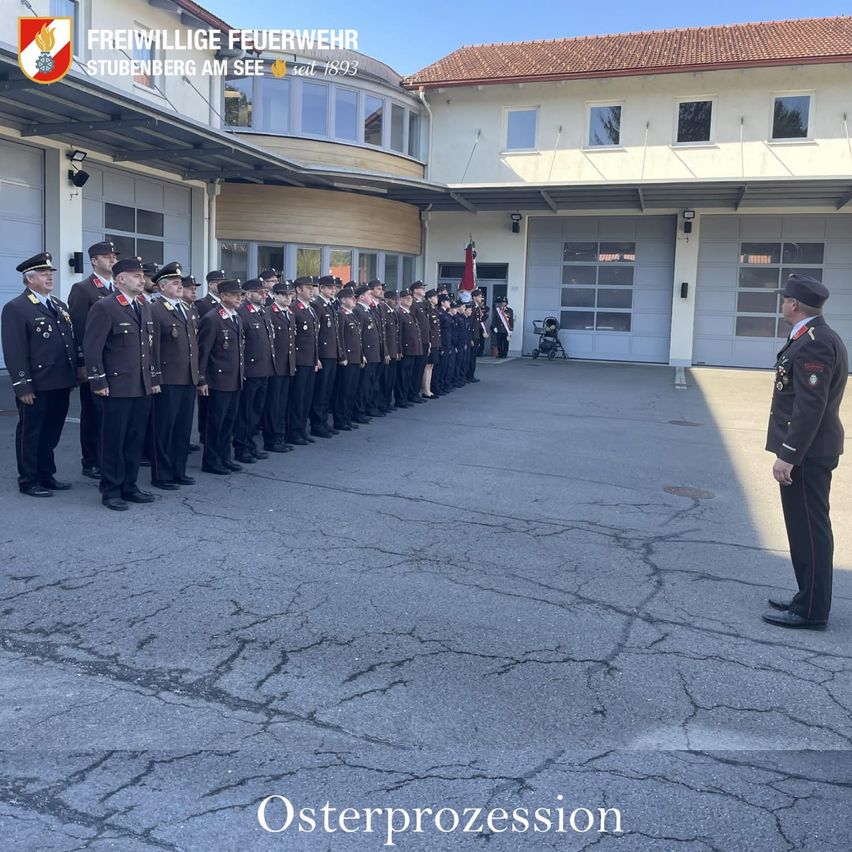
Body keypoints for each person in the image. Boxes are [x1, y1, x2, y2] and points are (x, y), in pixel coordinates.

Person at [762, 274, 848, 630]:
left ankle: (811, 610)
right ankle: (806, 597)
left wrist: (789, 454)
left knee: (810, 531)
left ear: (794, 304)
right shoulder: (812, 336)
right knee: (802, 529)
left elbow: (810, 407)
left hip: (808, 454)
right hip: (809, 450)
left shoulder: (815, 342)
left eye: (785, 299)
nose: (782, 304)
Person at [84, 257, 161, 511]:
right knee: (113, 441)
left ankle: (129, 485)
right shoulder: (105, 307)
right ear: (120, 279)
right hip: (116, 387)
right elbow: (93, 348)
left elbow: (149, 348)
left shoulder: (144, 306)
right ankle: (111, 489)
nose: (142, 280)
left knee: (134, 439)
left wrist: (153, 379)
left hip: (141, 385)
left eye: (142, 275)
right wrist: (98, 380)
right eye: (136, 276)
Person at [1, 252, 78, 497]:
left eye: (50, 273)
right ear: (29, 278)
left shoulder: (59, 306)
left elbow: (68, 341)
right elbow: (14, 350)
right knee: (31, 433)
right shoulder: (16, 308)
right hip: (37, 383)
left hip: (60, 381)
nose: (50, 277)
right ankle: (29, 479)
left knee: (52, 432)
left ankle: (46, 474)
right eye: (44, 274)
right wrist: (22, 385)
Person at [68, 240, 118, 479]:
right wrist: (82, 364)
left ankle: (108, 458)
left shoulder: (118, 288)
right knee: (93, 415)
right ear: (94, 261)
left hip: (117, 364)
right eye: (107, 256)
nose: (112, 259)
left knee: (111, 416)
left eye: (114, 256)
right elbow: (79, 330)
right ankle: (91, 461)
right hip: (95, 364)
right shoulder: (83, 289)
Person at [149, 262, 200, 490]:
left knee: (183, 428)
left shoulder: (187, 309)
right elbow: (152, 348)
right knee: (164, 429)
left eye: (181, 282)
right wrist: (154, 377)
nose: (180, 286)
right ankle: (162, 474)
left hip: (187, 377)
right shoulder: (155, 309)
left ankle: (179, 470)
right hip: (168, 379)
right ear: (162, 286)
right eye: (175, 283)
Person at [196, 278, 244, 475]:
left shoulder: (236, 317)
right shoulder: (212, 318)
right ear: (223, 296)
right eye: (235, 295)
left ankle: (225, 457)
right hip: (218, 380)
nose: (239, 298)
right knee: (215, 423)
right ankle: (211, 460)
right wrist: (201, 379)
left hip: (234, 378)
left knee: (228, 422)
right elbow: (203, 352)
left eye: (240, 295)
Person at [234, 278, 275, 464]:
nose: (264, 295)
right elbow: (240, 344)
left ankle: (251, 445)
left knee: (256, 411)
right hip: (249, 371)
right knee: (245, 412)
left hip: (263, 369)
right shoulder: (242, 312)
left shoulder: (263, 311)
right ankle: (241, 448)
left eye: (264, 292)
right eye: (260, 292)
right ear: (248, 294)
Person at [262, 280, 296, 453]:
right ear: (275, 295)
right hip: (275, 366)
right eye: (284, 295)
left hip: (287, 365)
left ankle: (279, 436)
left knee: (282, 404)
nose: (288, 298)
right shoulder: (269, 312)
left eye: (290, 295)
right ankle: (271, 439)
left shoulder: (290, 313)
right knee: (273, 404)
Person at [289, 276, 321, 445]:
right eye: (308, 288)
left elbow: (314, 338)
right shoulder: (294, 309)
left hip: (310, 360)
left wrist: (316, 358)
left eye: (312, 287)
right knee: (297, 398)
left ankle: (301, 429)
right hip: (300, 361)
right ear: (298, 290)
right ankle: (293, 431)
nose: (311, 290)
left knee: (307, 397)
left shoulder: (311, 309)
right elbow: (292, 339)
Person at [310, 275, 340, 438]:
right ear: (321, 288)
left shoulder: (330, 305)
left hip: (332, 353)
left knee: (327, 390)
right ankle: (317, 424)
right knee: (320, 391)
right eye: (329, 287)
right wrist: (317, 356)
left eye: (334, 288)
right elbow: (315, 334)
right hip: (323, 353)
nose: (333, 290)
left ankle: (323, 422)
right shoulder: (317, 305)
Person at [333, 284, 364, 430]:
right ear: (343, 300)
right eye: (351, 298)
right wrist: (342, 356)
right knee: (344, 391)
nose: (354, 300)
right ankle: (340, 420)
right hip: (347, 359)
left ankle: (347, 418)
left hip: (355, 357)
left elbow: (357, 339)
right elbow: (340, 338)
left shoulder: (351, 314)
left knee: (351, 390)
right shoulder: (341, 315)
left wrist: (361, 355)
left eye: (354, 298)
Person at [353, 283, 383, 422]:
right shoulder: (358, 311)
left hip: (374, 353)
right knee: (362, 385)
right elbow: (358, 335)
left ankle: (365, 408)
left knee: (369, 384)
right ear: (361, 297)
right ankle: (358, 411)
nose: (371, 296)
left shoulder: (368, 310)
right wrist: (362, 354)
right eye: (369, 294)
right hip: (367, 353)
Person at [396, 288, 422, 405]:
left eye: (410, 298)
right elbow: (399, 334)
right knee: (402, 375)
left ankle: (405, 397)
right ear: (400, 299)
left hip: (413, 349)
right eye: (406, 298)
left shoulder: (410, 313)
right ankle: (400, 398)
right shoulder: (400, 314)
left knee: (408, 375)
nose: (409, 300)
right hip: (405, 349)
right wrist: (400, 349)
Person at [409, 281, 431, 401]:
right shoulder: (413, 304)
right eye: (421, 288)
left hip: (425, 340)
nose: (423, 290)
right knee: (416, 369)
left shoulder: (422, 304)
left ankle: (416, 392)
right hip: (418, 340)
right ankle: (412, 393)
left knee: (420, 368)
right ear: (415, 290)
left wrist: (429, 340)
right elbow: (414, 324)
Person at [423, 289, 441, 398]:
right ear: (429, 298)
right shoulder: (427, 309)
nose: (437, 299)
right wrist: (429, 341)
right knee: (428, 365)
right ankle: (425, 389)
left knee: (431, 365)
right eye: (435, 297)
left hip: (435, 341)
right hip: (431, 340)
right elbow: (428, 327)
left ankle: (428, 388)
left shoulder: (434, 309)